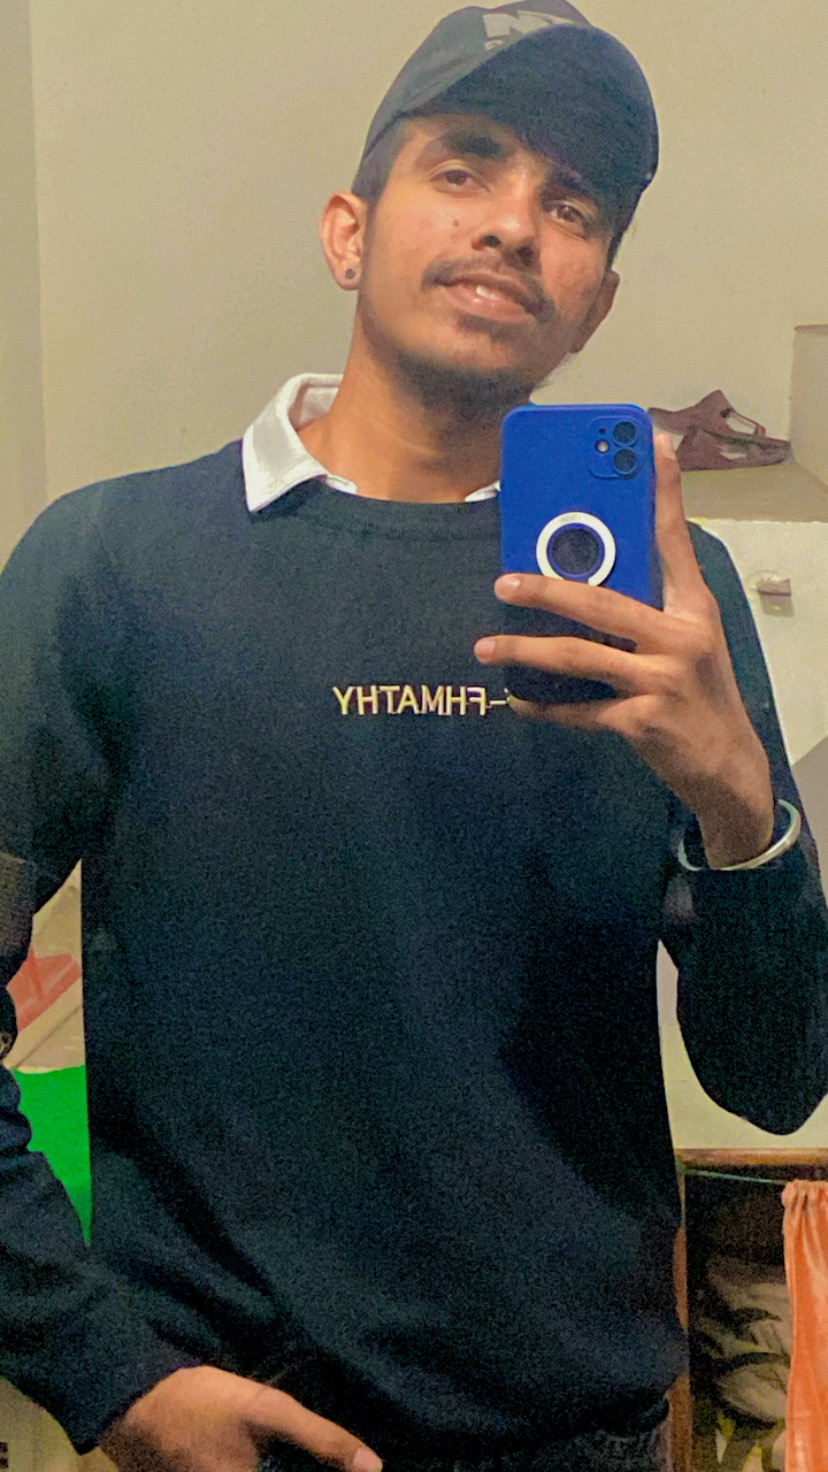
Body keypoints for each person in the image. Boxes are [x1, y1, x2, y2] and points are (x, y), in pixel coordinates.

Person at [1, 3, 826, 1471]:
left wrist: (739, 804)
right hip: (227, 1431)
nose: (514, 222)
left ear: (595, 303)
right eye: (466, 165)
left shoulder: (663, 603)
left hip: (581, 1435)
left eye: (571, 205)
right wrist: (106, 1372)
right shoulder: (110, 564)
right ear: (348, 230)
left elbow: (774, 1077)